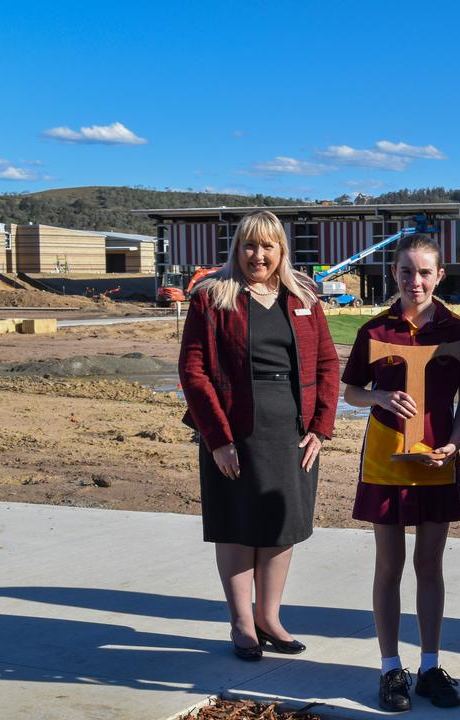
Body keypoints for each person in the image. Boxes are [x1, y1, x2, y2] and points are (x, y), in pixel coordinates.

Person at [178, 210, 339, 662]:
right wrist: (217, 439)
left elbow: (327, 363)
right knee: (236, 526)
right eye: (250, 245)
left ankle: (269, 618)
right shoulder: (213, 298)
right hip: (233, 431)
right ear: (237, 249)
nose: (258, 255)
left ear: (281, 250)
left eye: (268, 246)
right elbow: (193, 371)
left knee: (280, 525)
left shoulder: (303, 296)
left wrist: (321, 429)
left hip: (292, 432)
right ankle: (242, 623)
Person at [342, 234, 460, 713]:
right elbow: (351, 390)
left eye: (424, 272)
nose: (414, 280)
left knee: (430, 567)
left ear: (440, 276)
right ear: (393, 274)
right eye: (405, 271)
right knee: (389, 566)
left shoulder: (458, 331)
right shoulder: (375, 329)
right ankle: (389, 666)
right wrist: (377, 397)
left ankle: (431, 665)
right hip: (385, 458)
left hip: (437, 461)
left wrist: (455, 445)